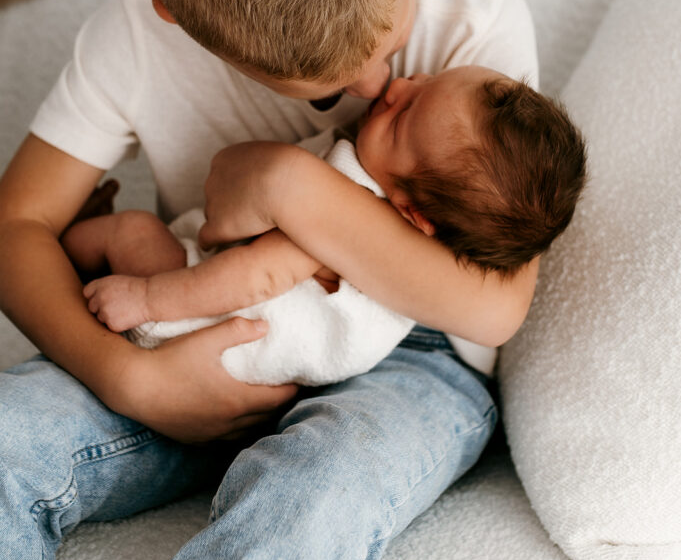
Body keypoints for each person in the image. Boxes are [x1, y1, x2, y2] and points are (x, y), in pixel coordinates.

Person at [0, 0, 541, 560]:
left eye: (392, 47)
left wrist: (288, 182)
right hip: (196, 316)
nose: (380, 88)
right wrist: (129, 379)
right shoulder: (135, 34)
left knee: (307, 503)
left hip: (410, 349)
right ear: (180, 16)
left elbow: (496, 300)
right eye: (330, 93)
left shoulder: (473, 16)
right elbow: (15, 224)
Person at [62, 67, 586, 387]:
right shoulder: (407, 243)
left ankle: (66, 244)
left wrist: (149, 299)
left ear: (414, 213)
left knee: (131, 230)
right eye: (424, 82)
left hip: (202, 327)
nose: (400, 85)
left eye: (401, 119)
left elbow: (256, 277)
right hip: (235, 336)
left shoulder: (354, 210)